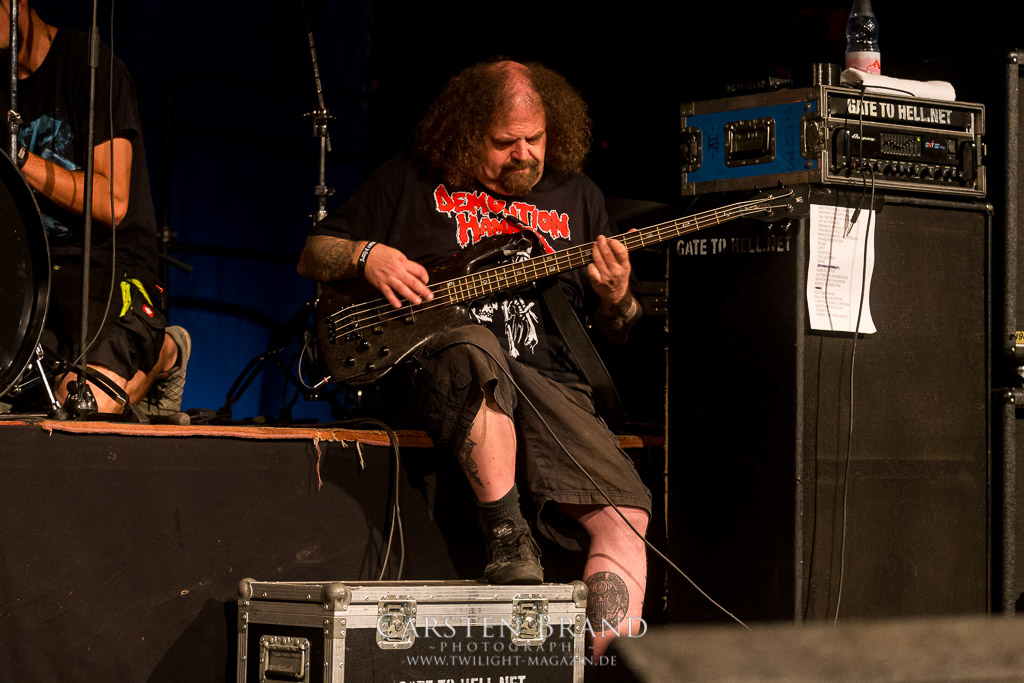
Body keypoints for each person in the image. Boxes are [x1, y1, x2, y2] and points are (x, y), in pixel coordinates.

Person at [298, 59, 650, 656]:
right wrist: (366, 255)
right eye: (505, 142)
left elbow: (620, 329)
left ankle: (603, 666)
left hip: (548, 382)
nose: (524, 155)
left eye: (535, 139)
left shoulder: (579, 196)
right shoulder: (410, 181)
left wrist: (619, 298)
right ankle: (508, 535)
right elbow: (313, 254)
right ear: (466, 135)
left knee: (626, 517)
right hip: (446, 369)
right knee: (473, 346)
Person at [1, 0, 189, 415]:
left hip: (109, 266)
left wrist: (20, 161)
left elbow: (113, 201)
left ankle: (164, 353)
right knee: (24, 405)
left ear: (16, 5)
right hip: (32, 277)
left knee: (81, 405)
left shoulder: (93, 66)